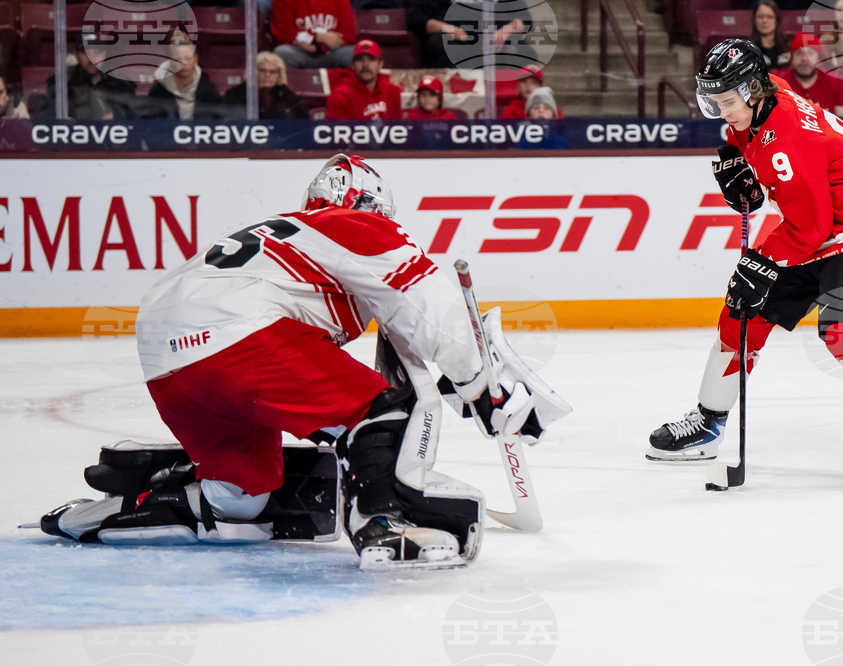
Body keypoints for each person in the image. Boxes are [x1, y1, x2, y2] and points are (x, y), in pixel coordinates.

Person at [39, 154, 568, 569]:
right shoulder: (356, 225)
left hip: (167, 360)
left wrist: (466, 378)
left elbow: (406, 328)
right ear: (372, 204)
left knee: (242, 502)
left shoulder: (286, 233)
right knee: (383, 412)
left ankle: (151, 498)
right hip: (235, 340)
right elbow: (425, 300)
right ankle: (383, 523)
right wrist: (484, 385)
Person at [647, 39, 843, 486]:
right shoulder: (763, 98)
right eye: (714, 101)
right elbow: (767, 162)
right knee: (741, 312)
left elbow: (809, 228)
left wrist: (762, 261)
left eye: (726, 102)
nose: (721, 111)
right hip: (818, 221)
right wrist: (742, 167)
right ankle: (709, 424)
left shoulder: (789, 135)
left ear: (751, 88)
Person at [406, 0, 530, 69]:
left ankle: (509, 100)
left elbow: (525, 18)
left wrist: (504, 32)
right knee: (438, 44)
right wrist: (447, 28)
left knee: (522, 49)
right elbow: (414, 16)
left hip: (495, 41)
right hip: (455, 41)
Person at [39, 33, 137, 120]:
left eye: (97, 53)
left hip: (113, 137)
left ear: (105, 54)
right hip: (74, 137)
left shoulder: (121, 83)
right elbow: (49, 116)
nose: (91, 59)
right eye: (85, 53)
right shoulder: (63, 82)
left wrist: (117, 116)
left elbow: (135, 118)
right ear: (77, 55)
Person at [145, 31, 226, 120]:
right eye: (178, 59)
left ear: (195, 60)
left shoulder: (209, 92)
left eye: (187, 58)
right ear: (171, 62)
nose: (183, 63)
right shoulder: (157, 92)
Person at [774, 32, 843, 117]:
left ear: (818, 58)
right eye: (799, 53)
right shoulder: (779, 83)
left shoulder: (836, 82)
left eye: (810, 53)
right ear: (792, 58)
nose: (804, 58)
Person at [325, 40, 402, 121]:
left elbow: (397, 129)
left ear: (380, 64)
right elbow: (340, 132)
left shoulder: (393, 92)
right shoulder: (340, 96)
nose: (365, 64)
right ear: (353, 65)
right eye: (360, 60)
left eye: (371, 59)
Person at [271, 0, 356, 70]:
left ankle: (346, 89)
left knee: (354, 53)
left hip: (331, 53)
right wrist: (315, 38)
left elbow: (347, 33)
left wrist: (321, 47)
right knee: (281, 52)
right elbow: (284, 33)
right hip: (300, 53)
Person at [224, 51, 309, 119]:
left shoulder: (288, 97)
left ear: (279, 75)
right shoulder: (235, 94)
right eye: (262, 70)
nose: (267, 75)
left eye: (272, 72)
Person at [750, 0, 791, 70]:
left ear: (777, 20)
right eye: (760, 17)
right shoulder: (749, 50)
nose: (764, 21)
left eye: (769, 17)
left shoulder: (788, 47)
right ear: (754, 20)